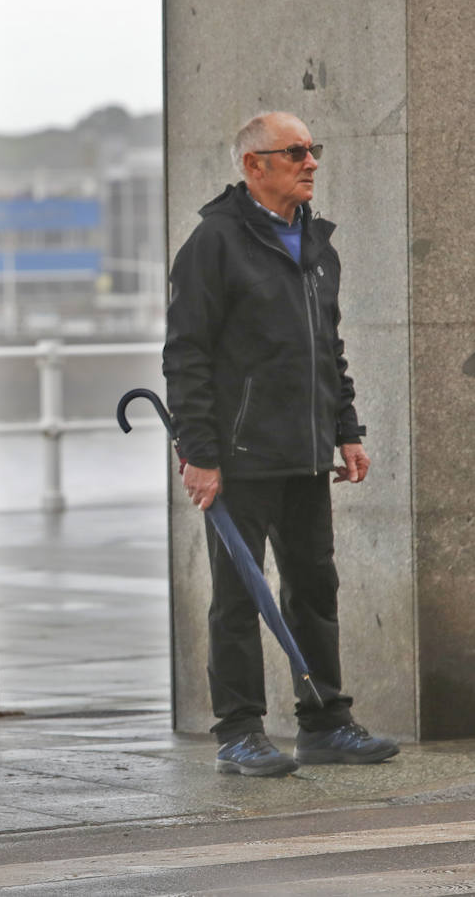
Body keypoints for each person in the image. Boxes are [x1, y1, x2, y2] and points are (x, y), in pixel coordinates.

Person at [164, 111, 399, 777]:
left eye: (312, 149)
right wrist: (199, 453)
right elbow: (186, 354)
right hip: (238, 458)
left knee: (314, 588)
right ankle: (239, 732)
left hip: (306, 452)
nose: (311, 161)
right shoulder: (214, 243)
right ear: (254, 165)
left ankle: (325, 724)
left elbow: (328, 350)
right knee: (239, 595)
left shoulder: (318, 244)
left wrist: (346, 431)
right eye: (295, 151)